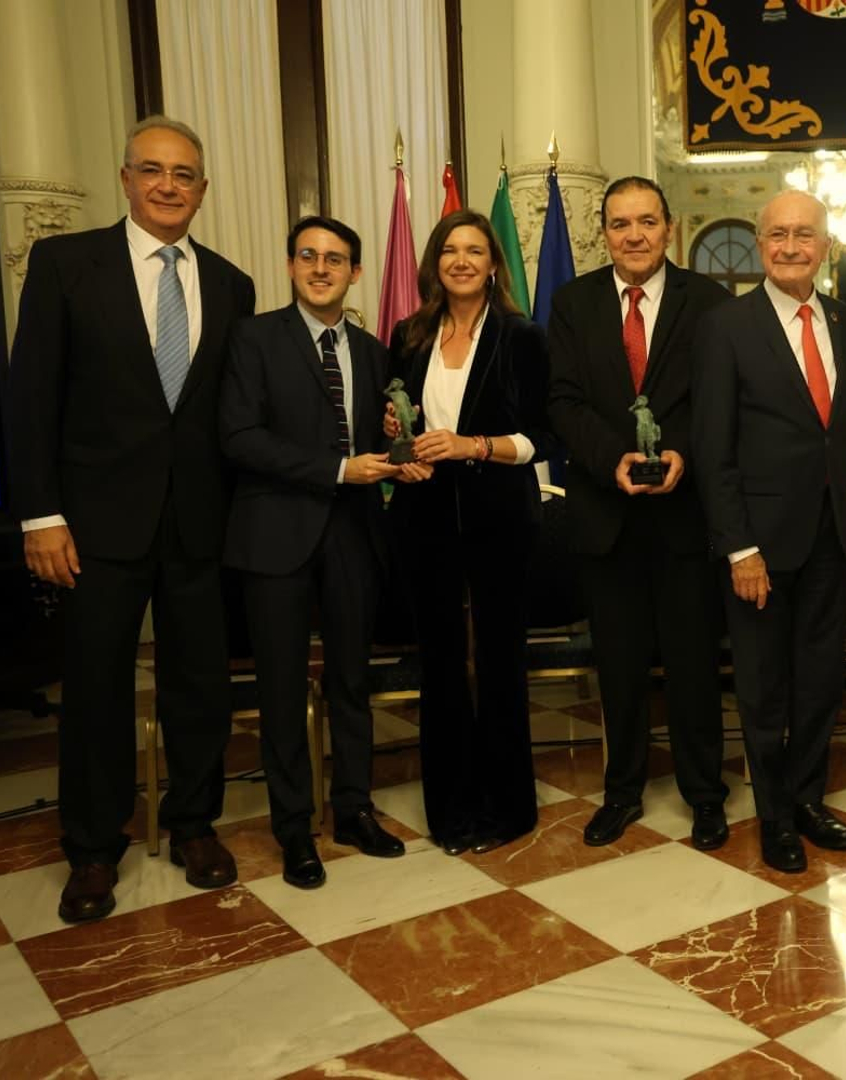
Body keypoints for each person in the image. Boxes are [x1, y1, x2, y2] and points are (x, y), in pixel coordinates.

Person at [6, 116, 255, 922]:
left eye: (184, 174)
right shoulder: (65, 265)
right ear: (125, 179)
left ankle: (193, 825)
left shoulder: (229, 282)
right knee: (96, 690)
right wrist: (39, 516)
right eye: (152, 170)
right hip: (93, 526)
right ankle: (91, 848)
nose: (168, 185)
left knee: (197, 688)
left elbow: (224, 415)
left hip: (196, 526)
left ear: (203, 190)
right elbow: (31, 398)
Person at [219, 216, 410, 889]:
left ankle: (354, 808)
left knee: (352, 681)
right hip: (275, 537)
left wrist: (395, 453)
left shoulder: (373, 350)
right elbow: (238, 436)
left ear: (356, 272)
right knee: (280, 689)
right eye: (308, 256)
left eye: (336, 259)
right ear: (291, 265)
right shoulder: (253, 338)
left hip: (355, 537)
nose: (321, 267)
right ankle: (293, 826)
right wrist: (335, 470)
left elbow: (374, 441)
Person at [546, 177, 733, 851]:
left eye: (646, 222)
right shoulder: (572, 304)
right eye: (620, 224)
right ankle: (621, 792)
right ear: (605, 233)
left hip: (685, 517)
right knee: (618, 668)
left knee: (692, 667)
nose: (634, 235)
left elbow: (716, 398)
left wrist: (679, 452)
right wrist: (615, 461)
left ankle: (705, 796)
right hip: (605, 516)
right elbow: (563, 402)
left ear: (670, 228)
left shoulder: (710, 302)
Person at [693, 190, 846, 873]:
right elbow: (712, 447)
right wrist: (740, 546)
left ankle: (807, 798)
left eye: (805, 235)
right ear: (760, 243)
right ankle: (773, 818)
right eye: (778, 235)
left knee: (822, 677)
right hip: (758, 544)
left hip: (833, 535)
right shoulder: (726, 326)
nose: (791, 246)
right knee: (763, 686)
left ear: (826, 245)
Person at [386, 209, 549, 855]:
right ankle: (449, 808)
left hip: (500, 521)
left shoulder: (521, 336)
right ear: (434, 262)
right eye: (449, 250)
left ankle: (507, 807)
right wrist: (402, 443)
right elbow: (392, 424)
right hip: (423, 520)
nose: (460, 260)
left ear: (492, 264)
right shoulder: (408, 334)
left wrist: (471, 445)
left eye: (474, 251)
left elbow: (542, 440)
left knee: (501, 663)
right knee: (442, 666)